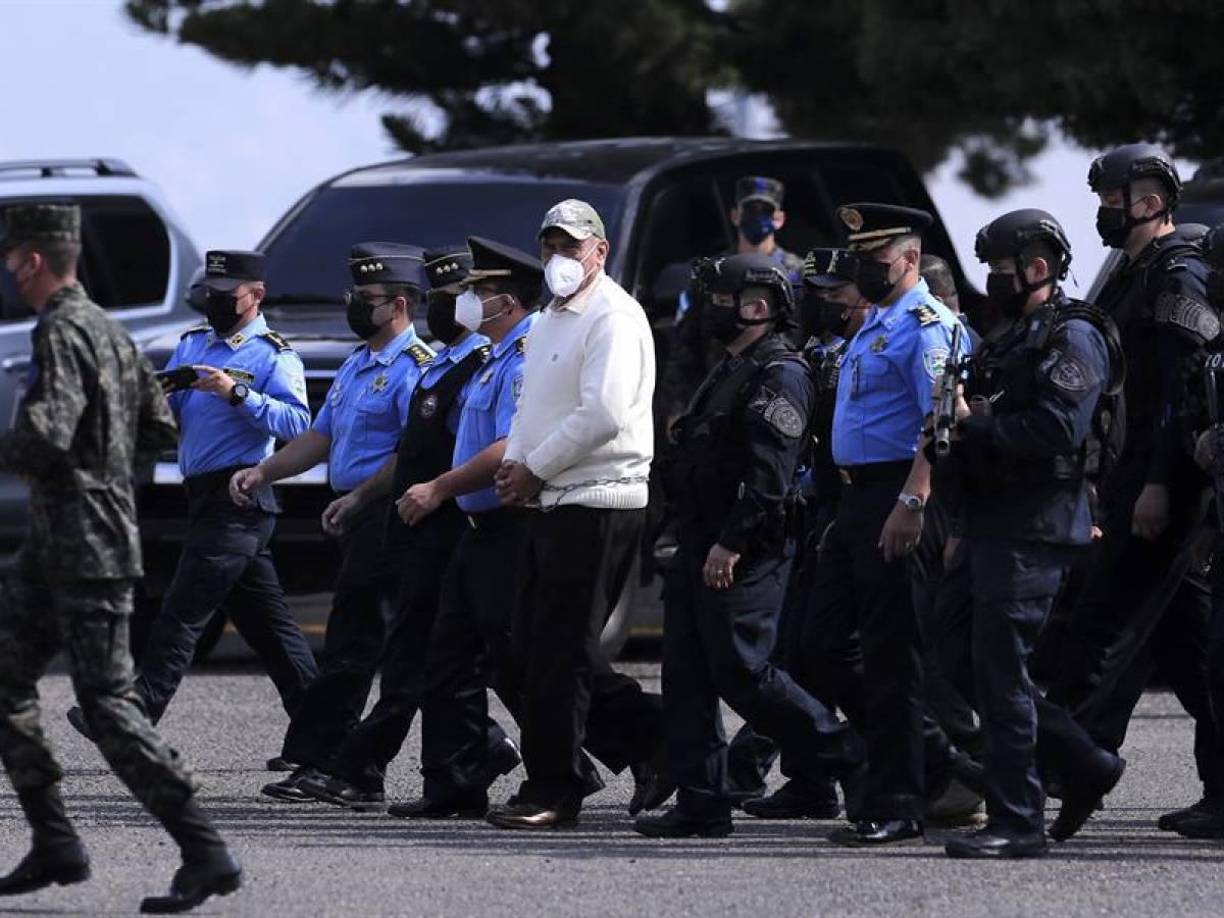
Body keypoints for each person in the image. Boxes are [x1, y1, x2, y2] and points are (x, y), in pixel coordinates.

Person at [0, 204, 241, 913]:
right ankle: (55, 842)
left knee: (106, 706)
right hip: (64, 543)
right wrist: (109, 481)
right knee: (7, 682)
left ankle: (205, 851)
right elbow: (160, 426)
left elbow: (48, 433)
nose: (10, 271)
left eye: (12, 259)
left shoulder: (63, 329)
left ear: (32, 262)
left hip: (84, 549)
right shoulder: (111, 330)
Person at [634, 253, 863, 838]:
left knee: (744, 670)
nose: (707, 310)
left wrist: (731, 544)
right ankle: (701, 801)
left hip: (745, 549)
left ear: (756, 307)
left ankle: (850, 756)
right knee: (686, 674)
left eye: (718, 298)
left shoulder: (779, 372)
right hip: (697, 540)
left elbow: (770, 474)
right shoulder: (730, 366)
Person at [290, 246, 518, 811]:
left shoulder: (475, 363)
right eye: (440, 298)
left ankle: (361, 766)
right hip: (411, 522)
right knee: (434, 658)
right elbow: (409, 449)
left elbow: (475, 446)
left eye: (452, 299)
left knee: (434, 656)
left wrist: (430, 491)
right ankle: (468, 763)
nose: (442, 309)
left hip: (450, 523)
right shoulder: (443, 363)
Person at [937, 209, 1127, 857]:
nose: (992, 281)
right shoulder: (1010, 336)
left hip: (1037, 523)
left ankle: (1018, 820)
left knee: (998, 669)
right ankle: (1085, 762)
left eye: (1000, 269)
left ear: (1037, 269)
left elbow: (1057, 430)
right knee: (957, 654)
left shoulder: (1072, 336)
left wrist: (976, 426)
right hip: (992, 521)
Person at [69, 249, 318, 739]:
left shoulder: (273, 354)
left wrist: (236, 394)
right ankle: (326, 732)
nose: (217, 303)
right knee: (272, 633)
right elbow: (174, 418)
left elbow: (298, 424)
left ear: (256, 295)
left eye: (228, 295)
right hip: (201, 496)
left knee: (183, 612)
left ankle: (134, 711)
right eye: (211, 294)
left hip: (241, 495)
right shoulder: (192, 345)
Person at [227, 243, 436, 804]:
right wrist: (264, 471)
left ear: (398, 305)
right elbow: (321, 437)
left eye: (364, 298)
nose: (352, 306)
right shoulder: (357, 362)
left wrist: (362, 497)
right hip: (358, 513)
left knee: (355, 642)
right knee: (386, 645)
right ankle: (481, 745)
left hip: (387, 515)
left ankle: (333, 765)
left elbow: (410, 454)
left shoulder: (417, 369)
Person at [1051, 144, 1221, 830]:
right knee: (1191, 646)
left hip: (1166, 487)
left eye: (1110, 200)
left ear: (1148, 201)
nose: (1101, 212)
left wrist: (1156, 484)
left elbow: (1183, 395)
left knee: (1099, 629)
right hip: (1129, 479)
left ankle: (1069, 768)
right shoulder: (1133, 272)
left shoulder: (1175, 277)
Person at [489, 201, 668, 829]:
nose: (559, 258)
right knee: (531, 648)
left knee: (559, 653)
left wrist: (535, 466)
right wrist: (515, 466)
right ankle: (658, 739)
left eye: (572, 245)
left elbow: (605, 414)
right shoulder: (546, 321)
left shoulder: (614, 317)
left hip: (598, 495)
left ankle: (554, 788)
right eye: (549, 246)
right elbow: (527, 407)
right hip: (549, 495)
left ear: (601, 249)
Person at [804, 203, 963, 847]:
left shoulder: (927, 325)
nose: (864, 271)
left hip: (901, 492)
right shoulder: (877, 326)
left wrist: (914, 500)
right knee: (817, 648)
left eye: (875, 261)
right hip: (856, 498)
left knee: (893, 655)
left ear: (908, 261)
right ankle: (936, 757)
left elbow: (944, 417)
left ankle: (899, 799)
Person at [726, 246, 867, 816]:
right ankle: (810, 782)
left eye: (832, 294)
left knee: (834, 652)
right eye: (813, 293)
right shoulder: (810, 353)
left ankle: (886, 767)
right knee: (794, 650)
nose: (821, 304)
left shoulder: (870, 348)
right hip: (809, 516)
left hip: (858, 511)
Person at [662, 176, 805, 418]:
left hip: (777, 396)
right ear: (735, 215)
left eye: (765, 211)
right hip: (716, 395)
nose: (757, 217)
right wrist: (676, 410)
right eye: (750, 210)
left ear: (779, 219)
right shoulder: (712, 273)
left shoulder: (798, 274)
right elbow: (685, 346)